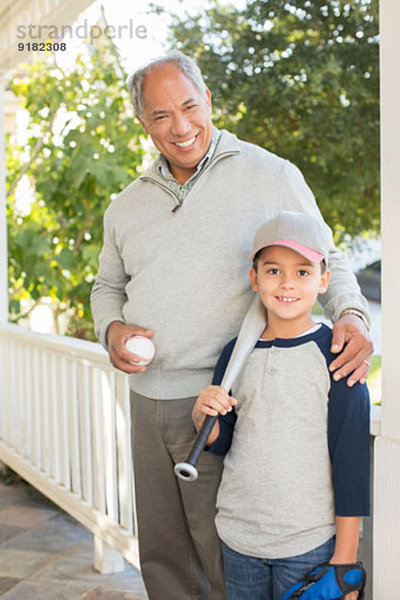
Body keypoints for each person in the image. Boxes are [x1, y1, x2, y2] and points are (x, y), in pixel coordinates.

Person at [90, 51, 373, 600]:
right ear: (143, 124)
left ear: (209, 101)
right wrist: (111, 330)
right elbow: (107, 288)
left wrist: (353, 315)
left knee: (224, 563)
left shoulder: (270, 174)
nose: (180, 127)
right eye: (160, 116)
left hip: (227, 398)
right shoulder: (125, 206)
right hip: (147, 399)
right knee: (163, 556)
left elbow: (328, 257)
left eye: (190, 107)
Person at [192, 211, 370, 600]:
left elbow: (352, 463)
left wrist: (345, 563)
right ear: (255, 278)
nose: (287, 283)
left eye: (303, 272)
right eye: (273, 270)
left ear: (324, 280)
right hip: (239, 540)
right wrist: (203, 417)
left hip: (307, 547)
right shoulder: (236, 353)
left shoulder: (338, 357)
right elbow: (224, 441)